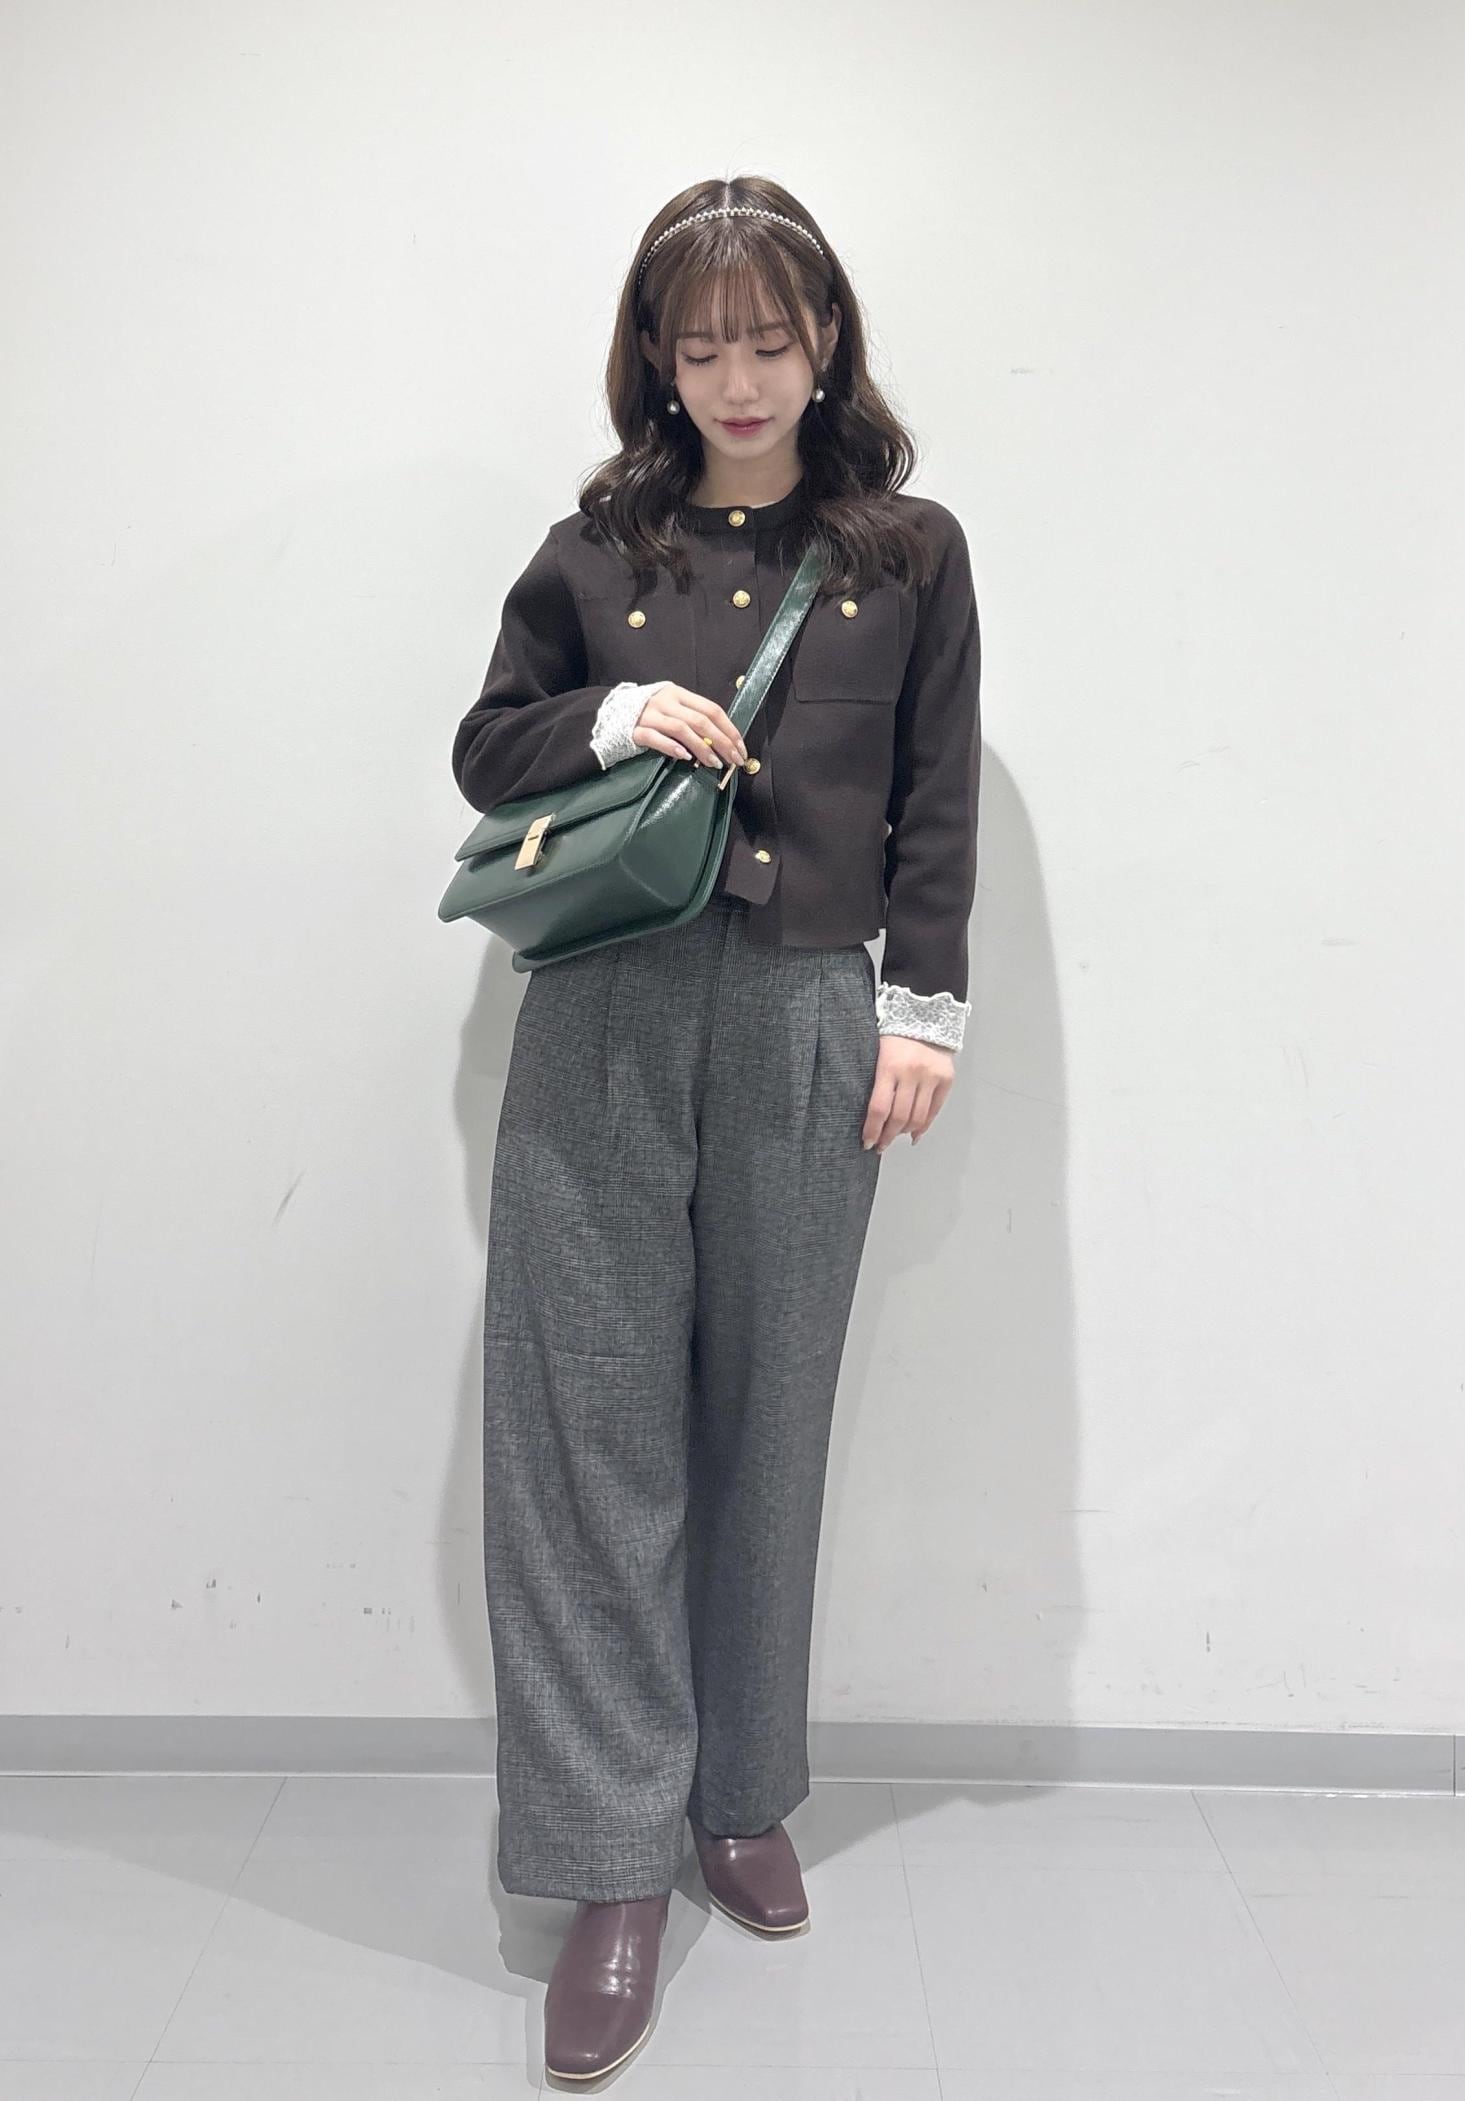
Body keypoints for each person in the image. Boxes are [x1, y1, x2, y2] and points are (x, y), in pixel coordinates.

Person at [449, 174, 983, 2084]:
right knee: (584, 1425)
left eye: (769, 336)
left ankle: (738, 1792)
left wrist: (923, 1007)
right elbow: (486, 747)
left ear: (824, 340)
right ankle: (610, 1860)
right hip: (601, 1009)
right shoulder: (595, 547)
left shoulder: (908, 553)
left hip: (807, 1014)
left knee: (772, 1409)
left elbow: (935, 789)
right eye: (701, 343)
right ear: (655, 360)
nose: (738, 374)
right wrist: (615, 716)